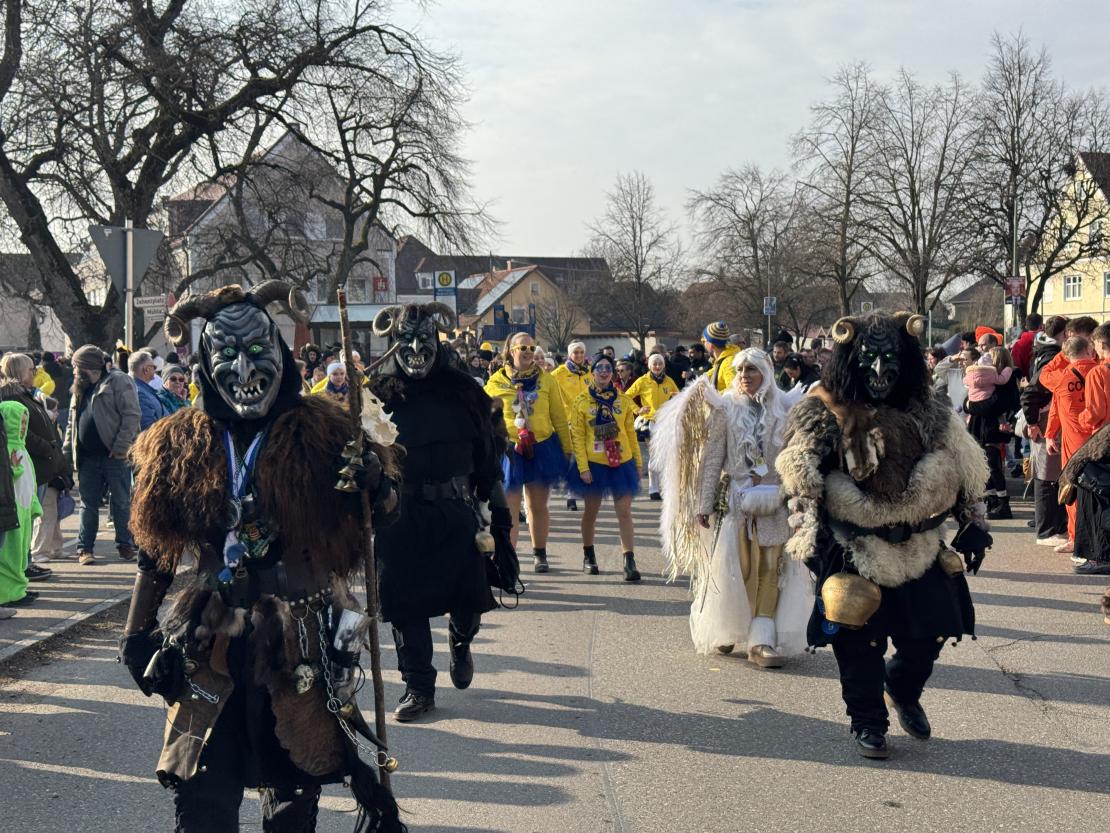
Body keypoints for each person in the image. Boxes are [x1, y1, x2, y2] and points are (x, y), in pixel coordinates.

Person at [119, 281, 404, 832]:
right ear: (204, 361)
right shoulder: (180, 442)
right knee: (202, 804)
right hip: (210, 641)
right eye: (227, 353)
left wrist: (376, 485)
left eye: (257, 352)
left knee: (293, 808)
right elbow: (156, 551)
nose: (244, 370)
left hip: (299, 637)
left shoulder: (326, 431)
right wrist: (135, 633)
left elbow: (382, 517)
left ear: (279, 354)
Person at [777, 313, 988, 759]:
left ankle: (903, 686)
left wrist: (974, 523)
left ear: (907, 360)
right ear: (851, 360)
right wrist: (807, 533)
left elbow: (966, 463)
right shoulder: (824, 408)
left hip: (919, 539)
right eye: (869, 360)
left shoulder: (927, 409)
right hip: (854, 542)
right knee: (858, 638)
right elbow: (799, 473)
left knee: (930, 631)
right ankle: (868, 721)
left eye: (889, 359)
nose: (878, 372)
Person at [368, 303, 515, 722]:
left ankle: (460, 638)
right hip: (399, 514)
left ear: (437, 341)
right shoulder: (375, 394)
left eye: (424, 339)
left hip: (456, 511)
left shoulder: (465, 391)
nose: (416, 347)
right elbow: (359, 456)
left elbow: (489, 454)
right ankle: (418, 688)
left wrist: (497, 513)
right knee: (403, 603)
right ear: (394, 343)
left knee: (468, 600)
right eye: (406, 339)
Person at [655, 349, 810, 663]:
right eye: (740, 370)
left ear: (765, 373)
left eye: (751, 369)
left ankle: (761, 641)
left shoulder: (786, 410)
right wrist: (704, 503)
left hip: (774, 503)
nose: (744, 376)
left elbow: (796, 457)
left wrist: (798, 498)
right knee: (734, 569)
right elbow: (712, 460)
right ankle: (728, 627)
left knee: (771, 568)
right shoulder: (724, 409)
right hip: (735, 502)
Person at [485, 332, 571, 571]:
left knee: (536, 505)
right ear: (511, 351)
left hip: (540, 447)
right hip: (509, 450)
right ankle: (509, 561)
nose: (528, 352)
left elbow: (559, 418)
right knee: (509, 507)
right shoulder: (495, 382)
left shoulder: (547, 380)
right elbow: (484, 419)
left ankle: (539, 553)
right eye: (522, 348)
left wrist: (568, 449)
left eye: (532, 348)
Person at [566, 354, 643, 580]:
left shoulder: (623, 400)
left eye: (608, 367)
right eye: (599, 367)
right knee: (591, 512)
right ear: (592, 373)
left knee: (625, 512)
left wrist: (638, 463)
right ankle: (589, 556)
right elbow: (578, 437)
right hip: (595, 464)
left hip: (622, 462)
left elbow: (631, 433)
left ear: (613, 372)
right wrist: (583, 468)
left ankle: (629, 560)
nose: (603, 371)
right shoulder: (581, 401)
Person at [64, 345, 141, 566]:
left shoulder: (119, 381)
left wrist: (121, 446)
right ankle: (84, 549)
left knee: (121, 502)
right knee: (88, 505)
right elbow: (72, 422)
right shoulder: (80, 386)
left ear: (88, 367)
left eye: (76, 367)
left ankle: (125, 545)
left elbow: (131, 415)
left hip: (114, 456)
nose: (74, 371)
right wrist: (67, 453)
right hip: (88, 458)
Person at [0, 353, 68, 579]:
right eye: (31, 370)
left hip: (36, 464)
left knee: (30, 518)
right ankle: (22, 566)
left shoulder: (26, 394)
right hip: (28, 463)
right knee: (24, 519)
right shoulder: (12, 396)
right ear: (19, 372)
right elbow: (20, 432)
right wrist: (46, 446)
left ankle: (25, 563)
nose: (35, 373)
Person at [1040, 335, 1099, 553]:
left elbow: (1045, 377)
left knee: (1071, 491)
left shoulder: (1061, 377)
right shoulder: (1101, 370)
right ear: (1089, 349)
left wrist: (1049, 434)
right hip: (1100, 438)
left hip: (1073, 443)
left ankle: (1075, 539)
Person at [0, 402, 42, 609]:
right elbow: (8, 478)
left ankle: (19, 588)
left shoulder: (22, 449)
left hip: (24, 510)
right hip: (12, 510)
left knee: (21, 554)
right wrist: (14, 469)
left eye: (25, 423)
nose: (23, 427)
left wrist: (34, 505)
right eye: (19, 422)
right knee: (10, 554)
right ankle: (9, 593)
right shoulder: (8, 449)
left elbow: (30, 481)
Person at [625, 353, 679, 500]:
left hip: (666, 422)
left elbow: (678, 396)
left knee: (667, 456)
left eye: (660, 364)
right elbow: (626, 397)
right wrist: (638, 410)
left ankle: (666, 487)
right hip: (651, 422)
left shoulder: (668, 381)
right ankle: (653, 489)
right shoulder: (643, 381)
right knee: (654, 456)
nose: (657, 366)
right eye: (654, 364)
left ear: (663, 365)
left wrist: (674, 404)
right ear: (649, 365)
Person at [551, 341, 593, 511]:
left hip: (588, 420)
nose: (579, 356)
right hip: (568, 420)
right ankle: (571, 495)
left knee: (585, 456)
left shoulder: (589, 373)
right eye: (576, 352)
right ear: (570, 354)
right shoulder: (559, 373)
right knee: (572, 457)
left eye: (581, 352)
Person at [129, 350, 167, 431]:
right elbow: (148, 428)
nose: (155, 370)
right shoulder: (140, 393)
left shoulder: (142, 390)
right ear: (146, 369)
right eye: (154, 367)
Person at [703, 321, 739, 392]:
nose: (703, 343)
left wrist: (712, 397)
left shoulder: (728, 363)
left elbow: (735, 391)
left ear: (711, 345)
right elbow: (710, 374)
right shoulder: (723, 360)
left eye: (703, 340)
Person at [42, 352, 73, 430]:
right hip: (62, 403)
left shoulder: (41, 371)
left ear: (43, 360)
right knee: (66, 429)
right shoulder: (63, 369)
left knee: (50, 431)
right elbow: (73, 369)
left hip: (47, 405)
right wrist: (65, 362)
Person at [1010, 313, 1043, 380]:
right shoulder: (1046, 342)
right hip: (1042, 382)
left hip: (1024, 383)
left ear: (1026, 326)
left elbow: (1015, 366)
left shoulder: (1018, 345)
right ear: (1041, 326)